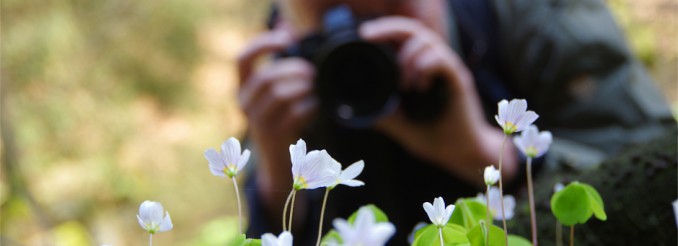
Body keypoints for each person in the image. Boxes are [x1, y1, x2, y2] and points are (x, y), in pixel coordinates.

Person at [235, 0, 674, 245]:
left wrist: (488, 154)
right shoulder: (288, 73)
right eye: (334, 14)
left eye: (391, 10)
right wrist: (274, 186)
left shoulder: (537, 16)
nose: (365, 53)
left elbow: (663, 179)